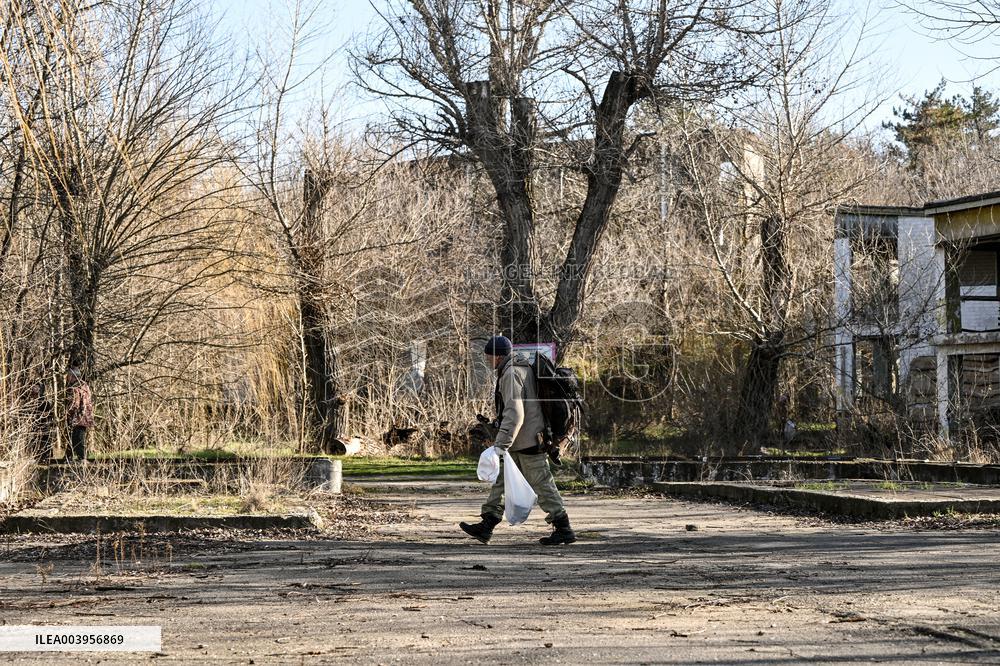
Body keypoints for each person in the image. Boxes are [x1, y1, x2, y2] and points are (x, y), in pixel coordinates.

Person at [460, 336, 576, 546]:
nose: (487, 360)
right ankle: (486, 526)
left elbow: (515, 413)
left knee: (542, 484)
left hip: (527, 440)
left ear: (497, 356)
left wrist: (500, 445)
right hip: (522, 438)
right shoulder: (520, 367)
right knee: (501, 482)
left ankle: (564, 527)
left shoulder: (511, 373)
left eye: (488, 356)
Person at [65, 367, 94, 461]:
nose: (67, 378)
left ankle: (82, 459)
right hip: (86, 416)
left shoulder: (75, 388)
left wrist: (67, 413)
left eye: (69, 376)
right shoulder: (85, 386)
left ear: (73, 376)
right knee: (77, 437)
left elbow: (75, 404)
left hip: (78, 417)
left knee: (77, 438)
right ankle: (69, 457)